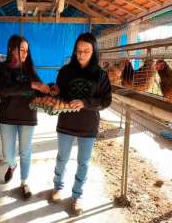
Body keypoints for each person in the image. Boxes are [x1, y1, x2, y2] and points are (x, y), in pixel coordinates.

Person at [50, 32, 112, 215]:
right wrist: (54, 92)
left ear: (94, 51)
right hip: (66, 122)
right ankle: (58, 186)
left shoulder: (100, 75)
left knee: (83, 162)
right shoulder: (65, 71)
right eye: (78, 51)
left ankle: (77, 195)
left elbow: (106, 100)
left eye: (86, 51)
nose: (81, 55)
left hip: (88, 124)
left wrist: (86, 103)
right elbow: (59, 92)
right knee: (62, 157)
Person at [0, 35, 50, 199]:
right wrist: (31, 85)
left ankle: (24, 182)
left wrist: (50, 88)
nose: (25, 53)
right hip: (8, 117)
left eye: (26, 50)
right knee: (7, 154)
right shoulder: (1, 68)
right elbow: (5, 89)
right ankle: (12, 165)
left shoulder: (30, 70)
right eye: (21, 50)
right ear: (11, 49)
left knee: (25, 152)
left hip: (28, 117)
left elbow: (40, 88)